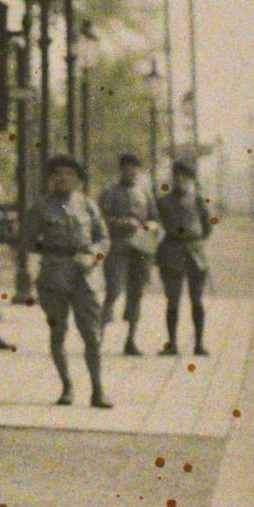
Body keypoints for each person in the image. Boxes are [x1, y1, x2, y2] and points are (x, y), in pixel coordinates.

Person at [25, 154, 112, 408]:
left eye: (69, 174)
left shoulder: (87, 205)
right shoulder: (40, 207)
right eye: (58, 174)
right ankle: (67, 386)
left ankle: (98, 389)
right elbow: (28, 240)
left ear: (77, 180)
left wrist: (93, 257)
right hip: (54, 278)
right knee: (58, 332)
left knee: (92, 335)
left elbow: (103, 239)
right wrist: (51, 250)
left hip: (85, 276)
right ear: (51, 179)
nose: (64, 178)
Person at [98, 152, 159, 357]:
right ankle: (97, 337)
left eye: (135, 168)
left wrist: (150, 225)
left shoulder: (145, 193)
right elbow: (100, 220)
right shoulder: (109, 192)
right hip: (118, 247)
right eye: (127, 168)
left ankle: (130, 340)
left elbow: (154, 217)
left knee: (137, 293)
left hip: (141, 249)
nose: (131, 172)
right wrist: (120, 222)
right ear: (121, 169)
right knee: (113, 290)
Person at [158, 158, 215, 357]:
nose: (180, 180)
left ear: (190, 179)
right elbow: (157, 226)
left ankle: (199, 344)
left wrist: (195, 241)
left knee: (196, 300)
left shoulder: (199, 200)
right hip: (172, 251)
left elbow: (208, 227)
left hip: (195, 253)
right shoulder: (163, 202)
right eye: (176, 176)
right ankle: (172, 344)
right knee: (172, 300)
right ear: (172, 178)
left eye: (184, 177)